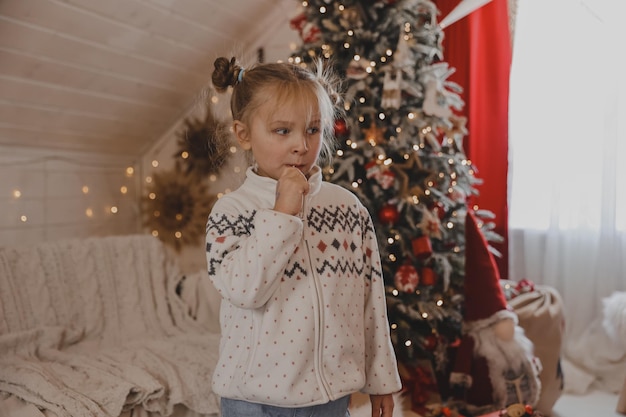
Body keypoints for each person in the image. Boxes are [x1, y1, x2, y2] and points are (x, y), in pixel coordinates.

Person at [205, 56, 402, 417]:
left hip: (329, 398)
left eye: (312, 129)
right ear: (244, 133)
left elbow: (370, 302)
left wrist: (381, 380)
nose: (301, 144)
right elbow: (245, 290)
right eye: (283, 131)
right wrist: (282, 213)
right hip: (253, 400)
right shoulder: (231, 213)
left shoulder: (348, 209)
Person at [449, 210, 542, 415]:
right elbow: (462, 370)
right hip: (486, 405)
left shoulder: (516, 343)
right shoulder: (476, 341)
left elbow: (529, 359)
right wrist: (459, 387)